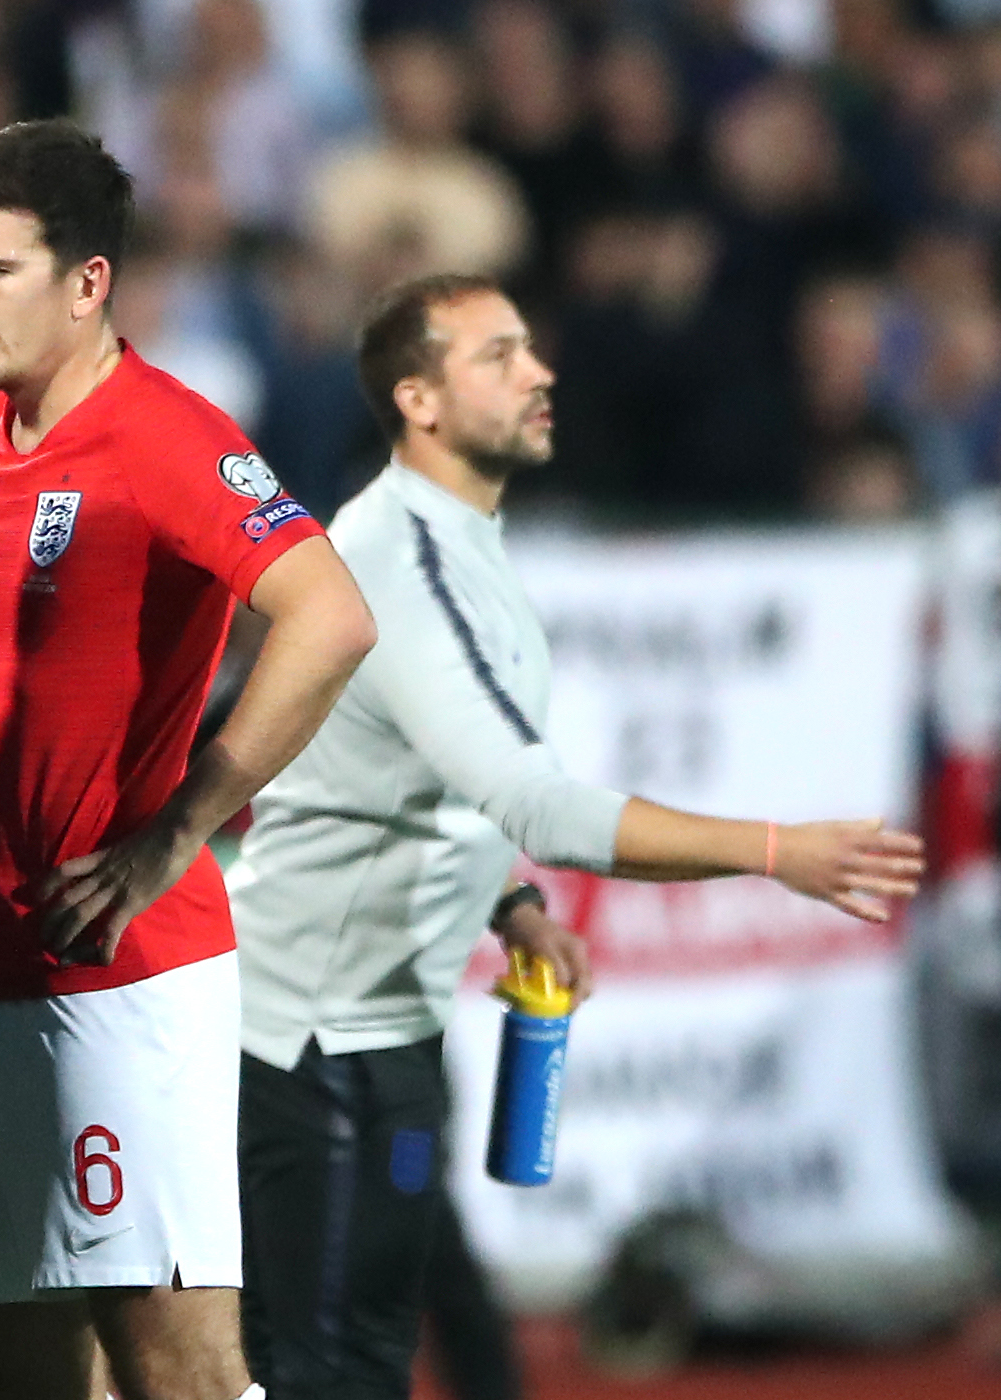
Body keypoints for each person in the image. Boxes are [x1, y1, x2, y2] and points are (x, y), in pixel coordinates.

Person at [223, 272, 925, 1399]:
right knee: (319, 1367)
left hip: (377, 1030)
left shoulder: (456, 543)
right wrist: (775, 850)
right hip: (315, 1043)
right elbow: (537, 800)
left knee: (361, 1348)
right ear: (420, 400)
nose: (538, 372)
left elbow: (423, 775)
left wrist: (512, 905)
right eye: (497, 356)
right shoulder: (400, 563)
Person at [0, 119, 378, 1400]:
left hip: (120, 967)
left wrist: (178, 828)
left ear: (87, 281)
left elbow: (330, 614)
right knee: (6, 1360)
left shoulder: (165, 434)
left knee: (172, 1361)